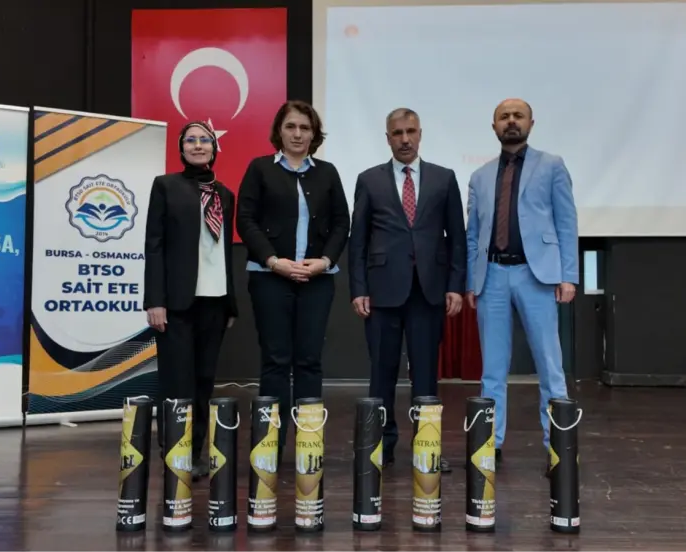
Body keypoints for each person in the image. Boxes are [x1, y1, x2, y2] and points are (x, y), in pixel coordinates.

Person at [348, 108, 466, 471]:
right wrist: (358, 288)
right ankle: (380, 446)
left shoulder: (444, 178)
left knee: (426, 374)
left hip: (429, 290)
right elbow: (358, 241)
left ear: (420, 134)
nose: (404, 139)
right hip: (382, 290)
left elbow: (457, 238)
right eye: (397, 133)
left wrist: (455, 286)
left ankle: (426, 448)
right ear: (387, 138)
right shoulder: (369, 180)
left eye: (410, 131)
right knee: (382, 372)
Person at [465, 98, 578, 475]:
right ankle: (490, 445)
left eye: (518, 116)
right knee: (492, 369)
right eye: (504, 117)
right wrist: (471, 280)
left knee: (550, 365)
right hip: (492, 276)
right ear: (493, 126)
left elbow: (566, 223)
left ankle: (558, 447)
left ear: (531, 123)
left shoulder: (552, 165)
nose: (511, 121)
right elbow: (472, 235)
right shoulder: (479, 176)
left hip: (536, 274)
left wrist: (568, 275)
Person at [236, 100, 350, 462]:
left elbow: (341, 223)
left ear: (314, 134)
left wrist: (325, 261)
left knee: (309, 361)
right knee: (275, 360)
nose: (298, 134)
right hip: (269, 278)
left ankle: (307, 444)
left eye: (305, 127)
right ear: (279, 132)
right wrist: (274, 262)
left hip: (318, 280)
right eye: (291, 127)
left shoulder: (327, 172)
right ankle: (270, 444)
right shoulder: (259, 169)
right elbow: (246, 220)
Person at [144, 120, 238, 481]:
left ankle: (196, 452)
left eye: (205, 140)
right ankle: (174, 451)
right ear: (182, 148)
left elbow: (224, 252)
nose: (198, 145)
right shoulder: (166, 186)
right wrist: (155, 300)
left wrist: (230, 302)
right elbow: (154, 245)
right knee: (176, 381)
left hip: (215, 300)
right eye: (191, 140)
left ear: (214, 148)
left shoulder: (224, 194)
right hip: (177, 302)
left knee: (203, 381)